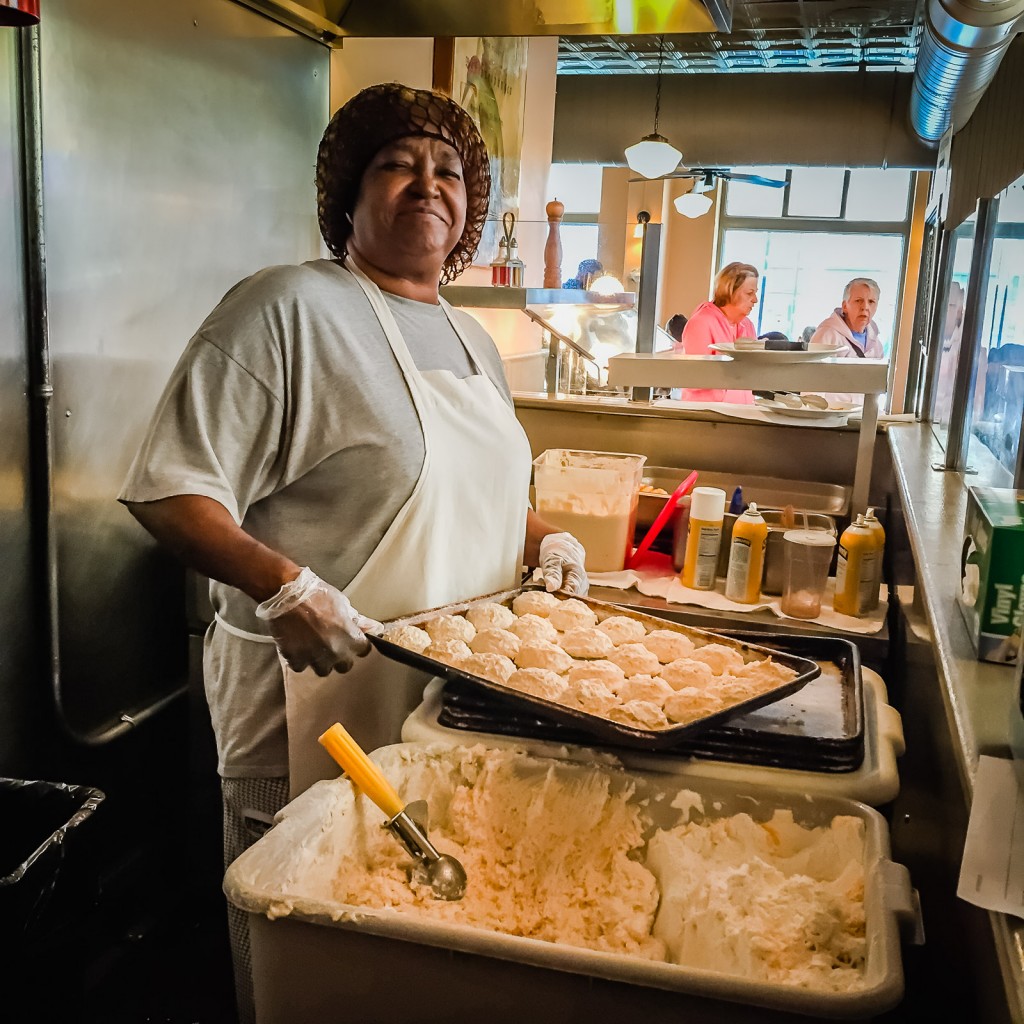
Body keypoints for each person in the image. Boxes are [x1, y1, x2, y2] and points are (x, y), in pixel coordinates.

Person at [117, 83, 588, 1024]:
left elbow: (470, 498)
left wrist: (547, 541)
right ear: (347, 195)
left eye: (449, 171)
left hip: (442, 707)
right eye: (397, 165)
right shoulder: (286, 308)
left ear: (472, 209)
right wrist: (284, 585)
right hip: (315, 701)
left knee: (416, 940)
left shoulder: (473, 338)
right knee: (304, 941)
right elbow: (168, 486)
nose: (428, 185)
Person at [679, 261, 759, 402]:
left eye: (755, 293)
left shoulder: (748, 325)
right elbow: (694, 377)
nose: (755, 300)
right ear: (729, 291)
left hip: (743, 414)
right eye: (749, 293)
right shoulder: (701, 322)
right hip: (709, 416)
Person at [810, 278, 885, 359]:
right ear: (845, 306)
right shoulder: (827, 335)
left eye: (871, 302)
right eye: (858, 301)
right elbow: (811, 369)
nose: (865, 307)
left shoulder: (876, 343)